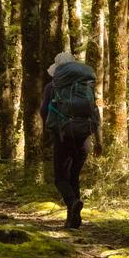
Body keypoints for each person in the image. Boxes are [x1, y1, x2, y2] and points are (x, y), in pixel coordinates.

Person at [40, 51, 103, 228]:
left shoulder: (52, 87)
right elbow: (95, 112)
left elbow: (44, 111)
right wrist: (99, 141)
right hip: (85, 136)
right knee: (73, 176)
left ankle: (72, 203)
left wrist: (49, 130)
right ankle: (74, 220)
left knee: (60, 178)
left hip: (63, 135)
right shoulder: (85, 86)